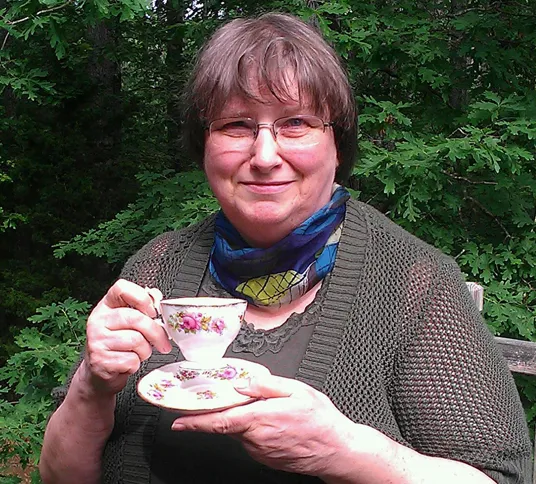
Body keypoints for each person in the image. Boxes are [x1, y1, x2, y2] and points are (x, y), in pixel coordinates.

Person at [39, 12, 531, 484]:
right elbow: (61, 477)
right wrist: (92, 385)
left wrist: (343, 451)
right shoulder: (157, 265)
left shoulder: (412, 281)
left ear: (337, 143)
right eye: (236, 126)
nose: (265, 155)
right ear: (203, 145)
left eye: (295, 122)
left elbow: (500, 477)